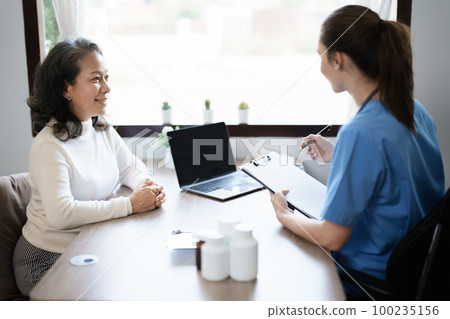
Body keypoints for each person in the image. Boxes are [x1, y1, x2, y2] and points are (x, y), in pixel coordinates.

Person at [270, 5, 445, 298]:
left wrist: (284, 215)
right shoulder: (414, 109)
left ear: (337, 59)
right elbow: (398, 173)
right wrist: (339, 152)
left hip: (367, 279)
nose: (320, 66)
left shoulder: (361, 132)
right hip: (409, 271)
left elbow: (332, 237)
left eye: (320, 56)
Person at [13, 38, 166, 296]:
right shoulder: (50, 146)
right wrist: (130, 205)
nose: (106, 88)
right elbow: (62, 215)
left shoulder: (99, 126)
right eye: (96, 79)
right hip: (47, 259)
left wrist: (146, 186)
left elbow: (129, 167)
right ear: (65, 88)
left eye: (106, 77)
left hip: (90, 243)